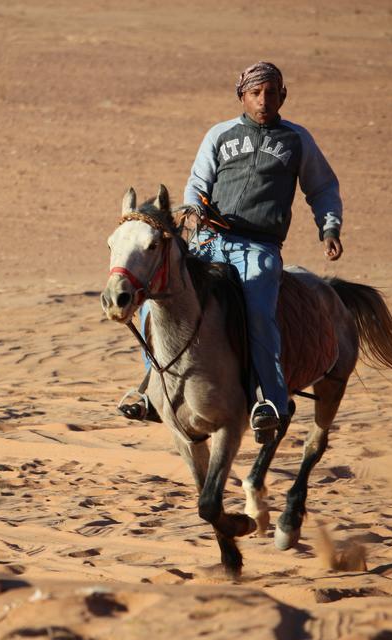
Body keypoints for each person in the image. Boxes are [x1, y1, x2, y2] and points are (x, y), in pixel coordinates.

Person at [119, 61, 344, 440]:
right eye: (256, 93)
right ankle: (149, 390)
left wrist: (330, 227)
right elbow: (198, 181)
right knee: (159, 303)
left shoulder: (296, 140)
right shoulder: (220, 135)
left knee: (258, 314)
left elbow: (321, 188)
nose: (264, 100)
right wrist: (192, 209)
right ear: (242, 96)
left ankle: (269, 400)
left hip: (259, 247)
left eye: (272, 92)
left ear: (283, 96)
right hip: (210, 240)